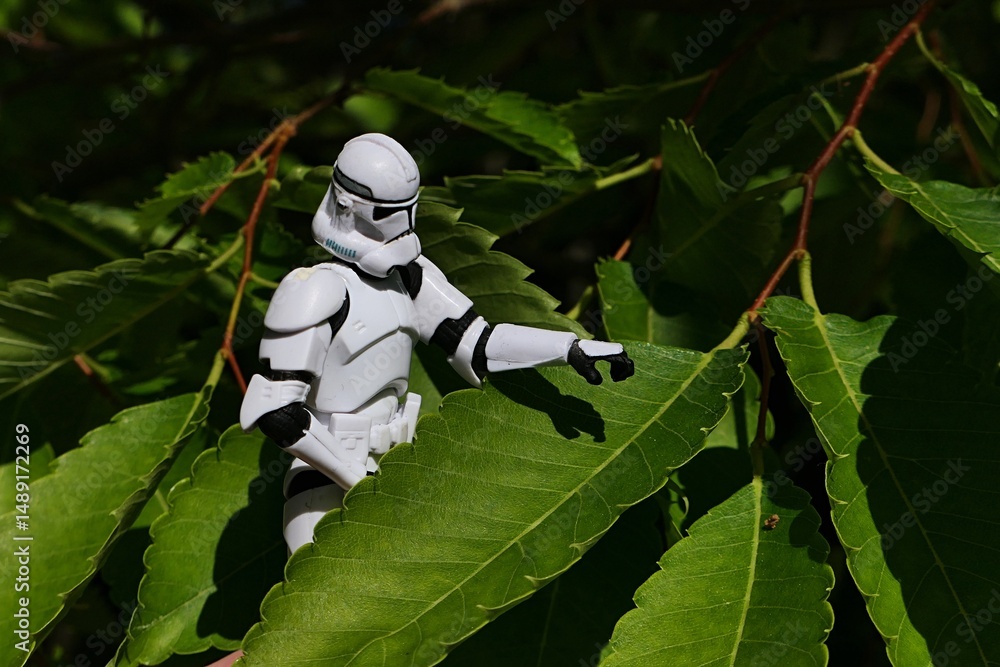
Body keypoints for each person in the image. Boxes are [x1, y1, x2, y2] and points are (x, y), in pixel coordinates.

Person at [240, 133, 634, 553]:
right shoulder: (316, 287)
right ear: (346, 204)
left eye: (407, 210)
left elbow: (478, 343)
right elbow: (278, 412)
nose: (402, 227)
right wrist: (360, 482)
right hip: (327, 482)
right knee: (327, 587)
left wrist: (567, 348)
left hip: (395, 470)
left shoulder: (410, 277)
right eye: (387, 213)